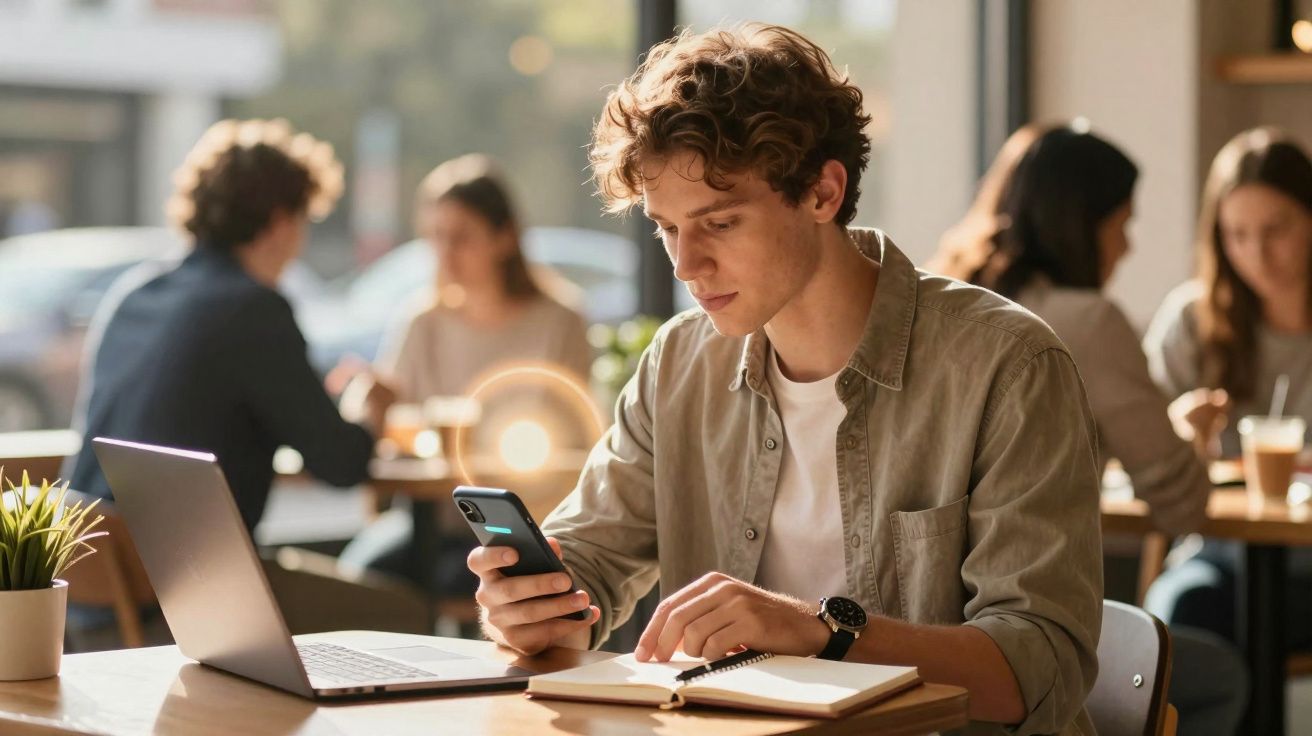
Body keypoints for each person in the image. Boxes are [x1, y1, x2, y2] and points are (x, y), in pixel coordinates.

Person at [467, 25, 1103, 735]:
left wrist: (820, 631)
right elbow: (591, 564)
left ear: (823, 192)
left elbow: (1039, 665)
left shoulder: (1007, 365)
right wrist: (536, 610)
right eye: (667, 228)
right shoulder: (680, 364)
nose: (686, 265)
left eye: (721, 222)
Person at [956, 123, 1246, 736]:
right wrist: (1185, 440)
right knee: (1223, 675)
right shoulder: (1087, 320)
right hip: (1026, 641)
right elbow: (1181, 503)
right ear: (1082, 224)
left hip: (931, 634)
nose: (1127, 246)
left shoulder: (956, 304)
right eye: (1122, 225)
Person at [66, 119, 392, 533]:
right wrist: (369, 406)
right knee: (397, 601)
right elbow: (342, 464)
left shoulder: (134, 294)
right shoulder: (252, 310)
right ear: (280, 222)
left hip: (90, 580)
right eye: (303, 219)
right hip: (194, 587)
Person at [338, 154, 592, 594]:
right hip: (430, 522)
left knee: (468, 584)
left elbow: (577, 445)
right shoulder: (423, 321)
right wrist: (368, 401)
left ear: (504, 237)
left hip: (525, 524)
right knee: (354, 585)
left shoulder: (560, 321)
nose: (445, 253)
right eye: (436, 237)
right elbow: (389, 420)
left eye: (461, 237)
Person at [1143, 127, 1312, 651]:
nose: (1257, 252)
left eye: (1275, 229)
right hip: (1216, 559)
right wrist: (1177, 433)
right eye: (1236, 234)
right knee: (1175, 626)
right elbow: (1136, 455)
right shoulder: (1193, 322)